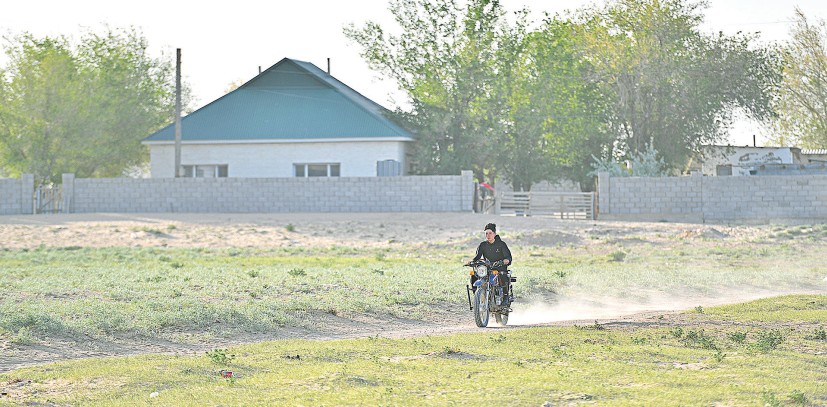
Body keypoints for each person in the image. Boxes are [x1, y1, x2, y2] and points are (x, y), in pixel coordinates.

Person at [470, 222, 513, 306]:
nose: (488, 235)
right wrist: (472, 262)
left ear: (494, 234)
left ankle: (505, 296)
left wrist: (505, 261)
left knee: (502, 275)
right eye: (486, 233)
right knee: (474, 275)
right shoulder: (483, 245)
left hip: (500, 267)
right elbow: (477, 256)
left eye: (490, 233)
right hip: (488, 267)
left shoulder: (501, 244)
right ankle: (477, 296)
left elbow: (508, 257)